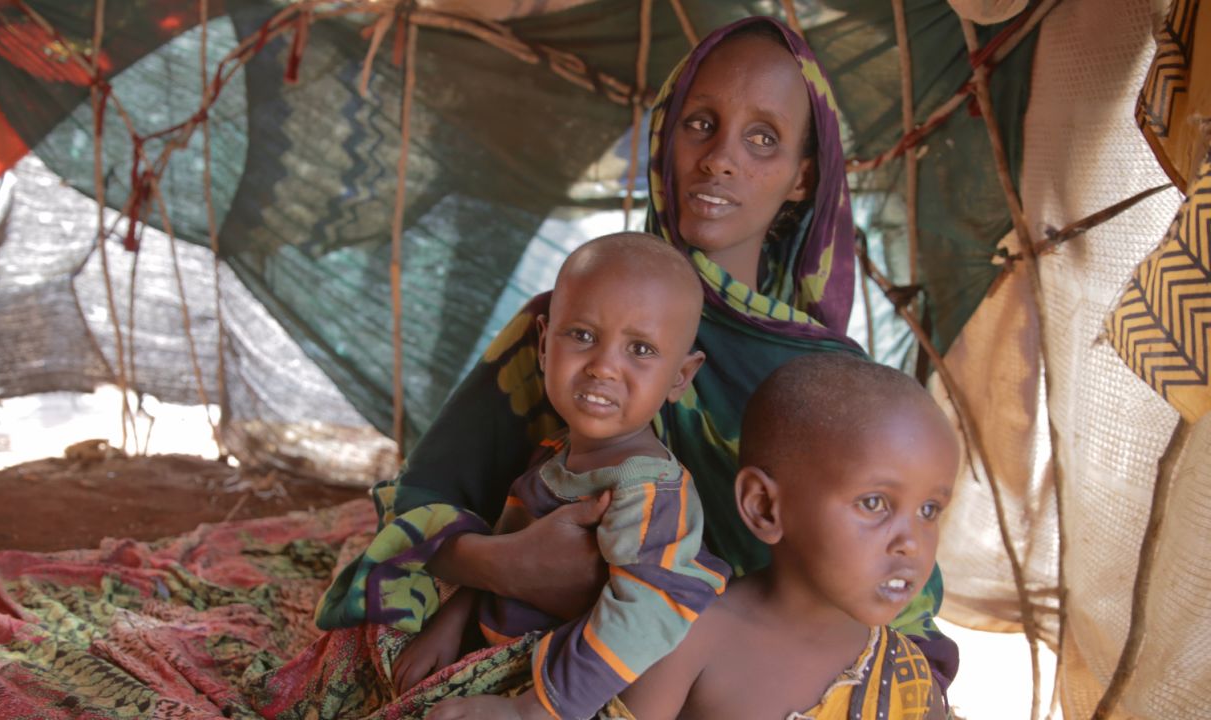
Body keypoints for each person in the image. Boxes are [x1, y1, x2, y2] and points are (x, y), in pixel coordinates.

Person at [310, 12, 957, 704]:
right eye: (698, 123)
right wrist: (498, 567)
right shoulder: (557, 325)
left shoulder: (828, 386)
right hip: (525, 652)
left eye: (762, 138)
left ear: (803, 177)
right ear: (662, 136)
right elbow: (427, 497)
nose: (720, 159)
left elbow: (897, 606)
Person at [336, 231, 727, 720]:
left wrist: (530, 710)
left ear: (680, 377)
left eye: (641, 350)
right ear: (544, 345)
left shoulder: (647, 491)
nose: (603, 367)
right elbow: (505, 542)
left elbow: (644, 614)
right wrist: (451, 622)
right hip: (501, 656)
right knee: (362, 632)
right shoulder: (554, 451)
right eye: (582, 336)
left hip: (569, 693)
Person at [615, 354, 958, 720]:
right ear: (763, 506)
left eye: (929, 511)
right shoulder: (688, 640)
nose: (912, 542)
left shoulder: (907, 677)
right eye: (874, 503)